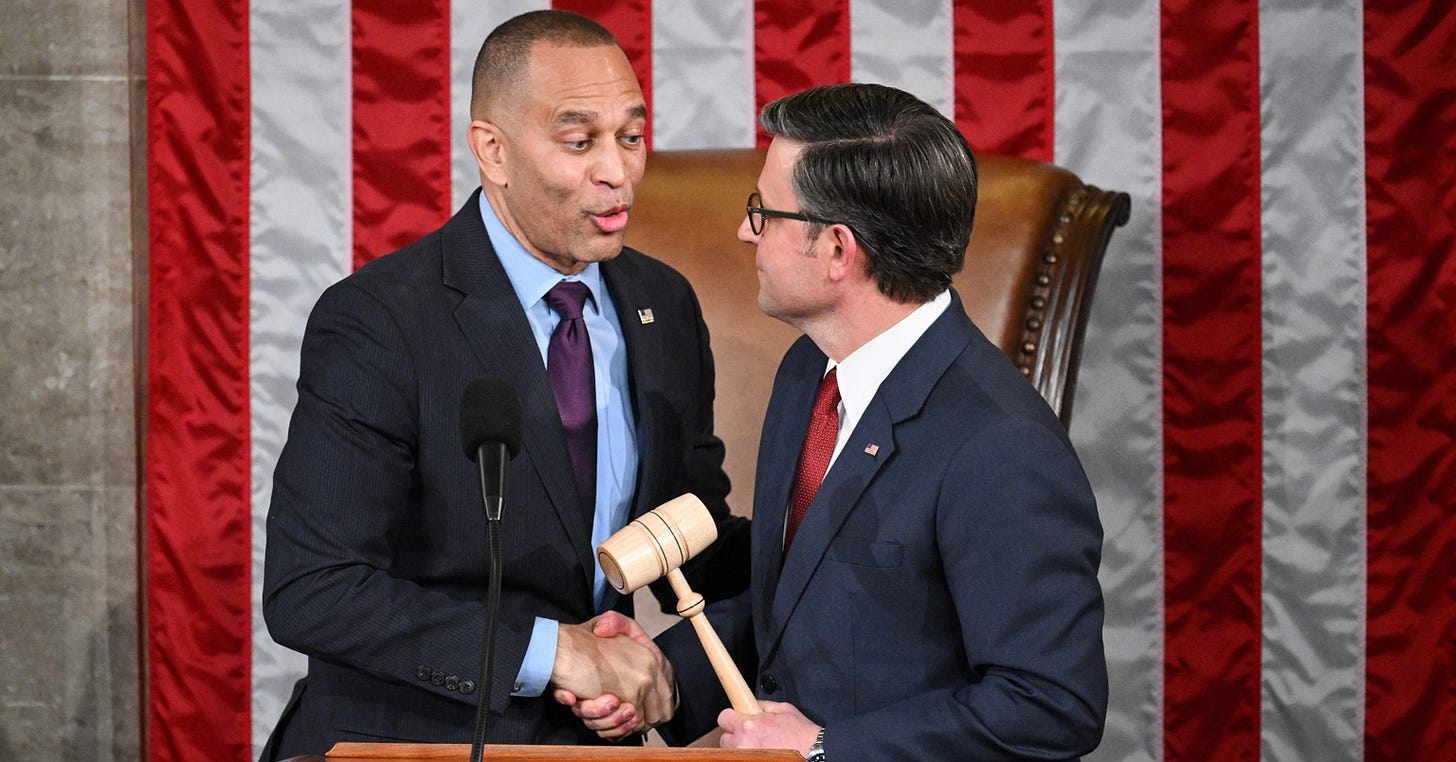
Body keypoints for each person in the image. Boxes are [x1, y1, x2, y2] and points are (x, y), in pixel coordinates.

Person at [259, 10, 747, 758]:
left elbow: (692, 531)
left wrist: (849, 552)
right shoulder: (382, 320)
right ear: (493, 150)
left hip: (592, 743)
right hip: (414, 740)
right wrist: (557, 652)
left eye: (631, 136)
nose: (617, 171)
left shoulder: (663, 304)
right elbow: (315, 588)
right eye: (579, 142)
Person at [571, 83, 1108, 759]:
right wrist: (666, 678)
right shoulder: (809, 372)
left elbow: (1052, 706)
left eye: (762, 211)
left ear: (836, 252)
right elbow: (798, 607)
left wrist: (826, 748)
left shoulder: (1001, 445)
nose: (745, 231)